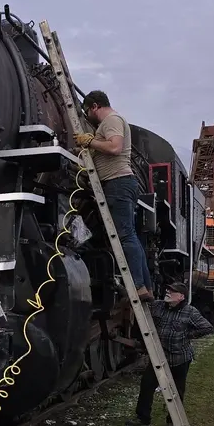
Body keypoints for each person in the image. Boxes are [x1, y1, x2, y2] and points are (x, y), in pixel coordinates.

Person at [75, 90, 153, 300]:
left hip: (118, 183)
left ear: (95, 106)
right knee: (130, 236)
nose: (87, 116)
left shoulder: (111, 120)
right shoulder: (112, 121)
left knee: (125, 236)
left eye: (87, 111)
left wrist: (90, 142)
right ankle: (145, 288)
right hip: (120, 183)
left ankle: (138, 287)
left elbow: (115, 147)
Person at [126, 281, 213, 426]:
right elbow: (137, 303)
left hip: (180, 358)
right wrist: (123, 289)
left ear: (181, 297)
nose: (168, 292)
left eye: (172, 291)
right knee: (147, 384)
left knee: (177, 390)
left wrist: (188, 335)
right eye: (168, 290)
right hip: (159, 356)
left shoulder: (190, 312)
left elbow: (207, 327)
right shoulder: (158, 306)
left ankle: (172, 422)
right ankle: (142, 418)